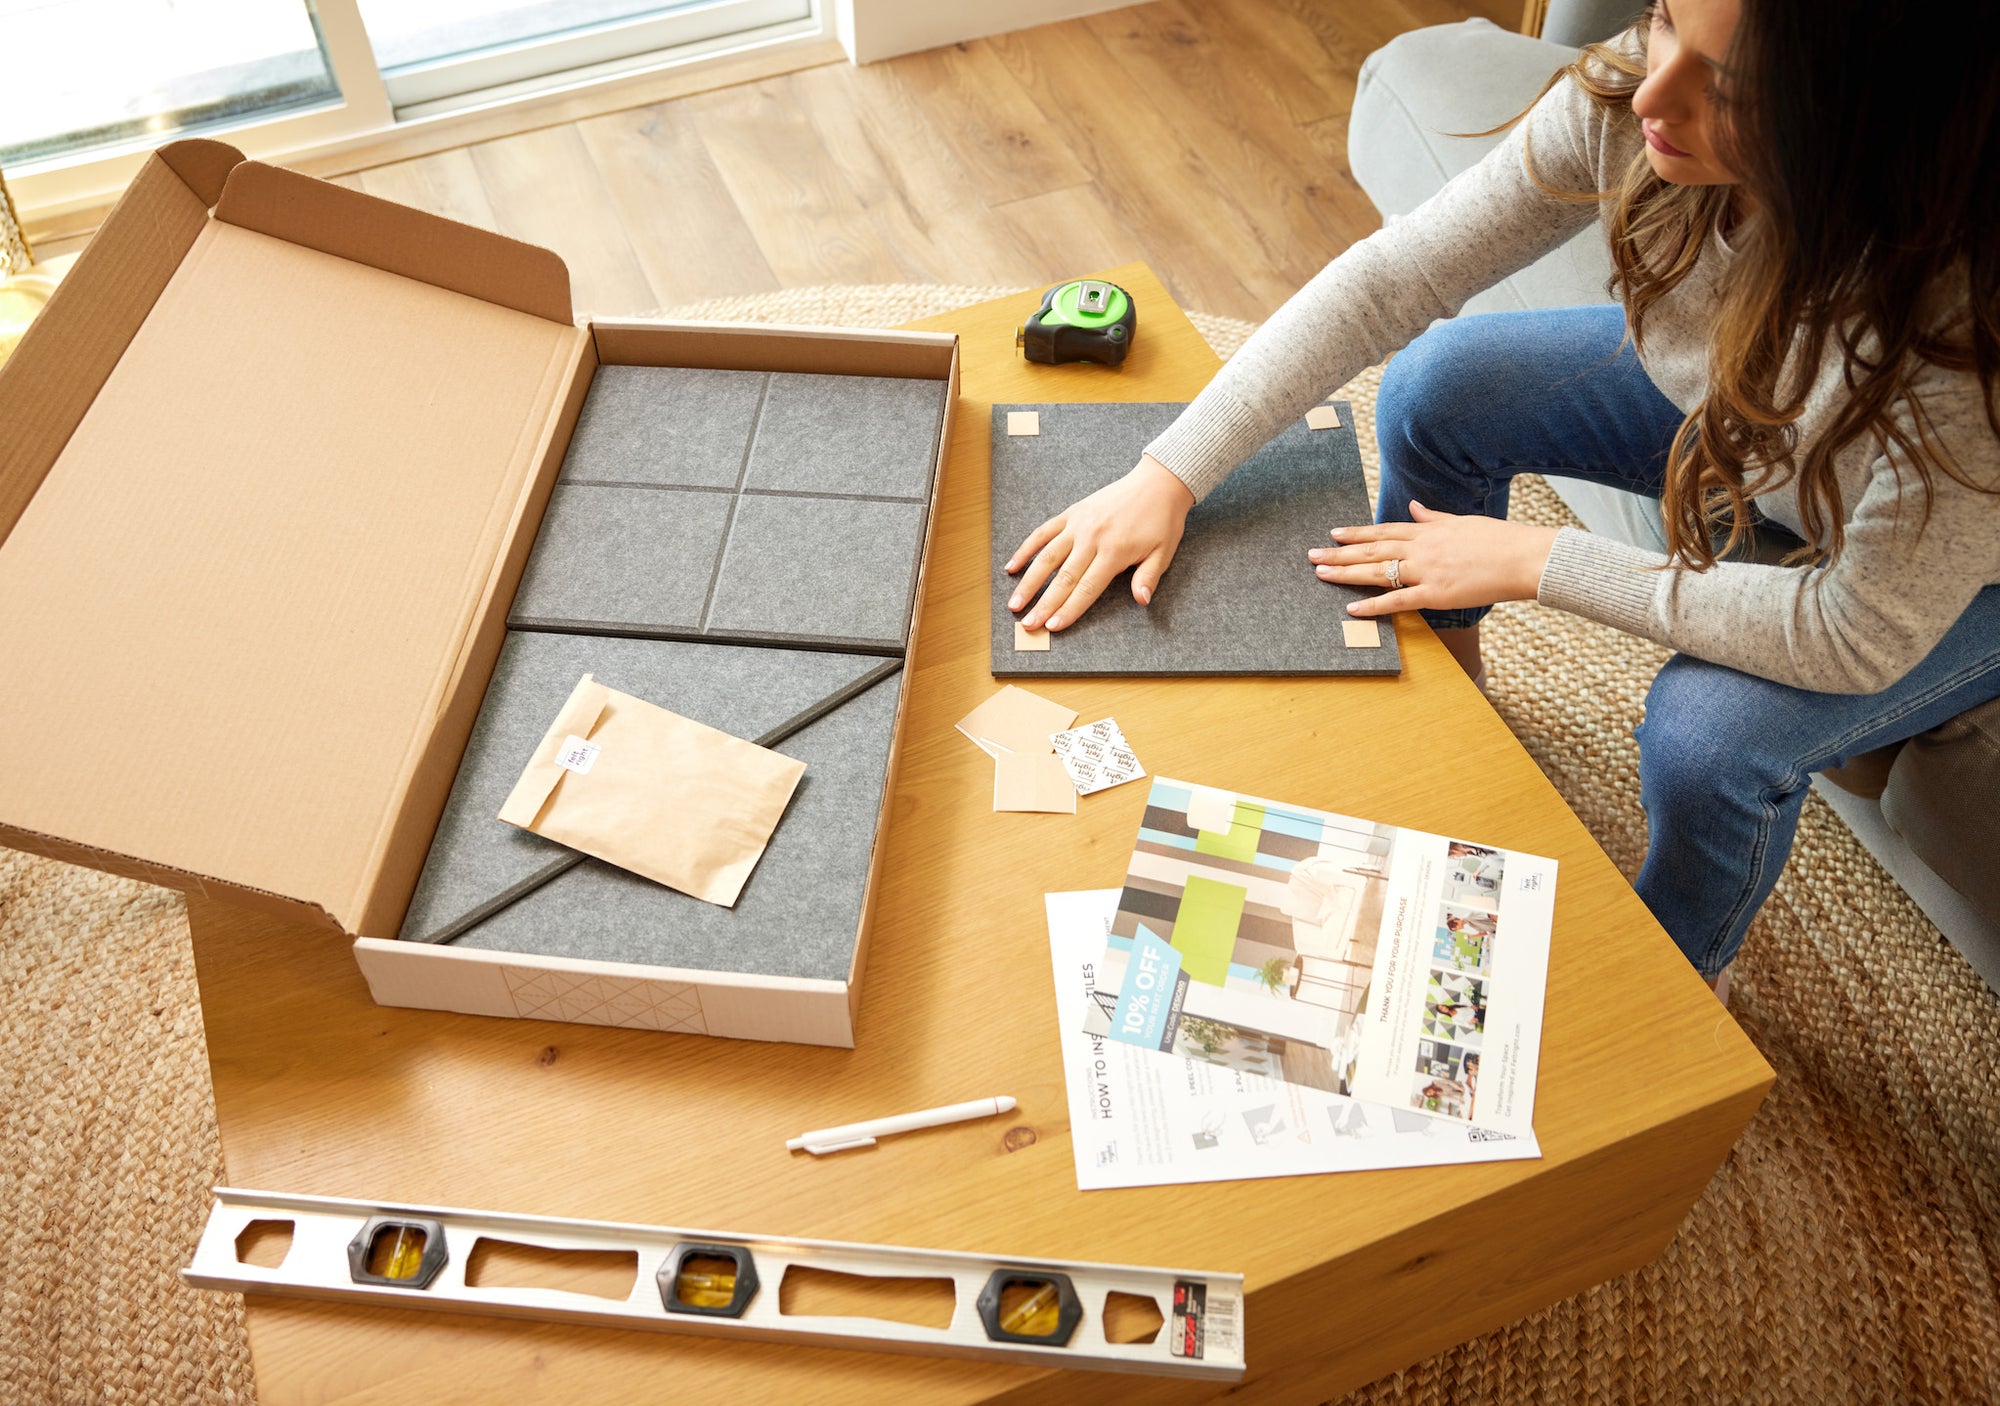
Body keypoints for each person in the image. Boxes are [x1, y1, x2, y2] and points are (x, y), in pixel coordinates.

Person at [1003, 0, 2000, 994]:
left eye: (1730, 89)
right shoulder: (1637, 97)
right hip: (1765, 429)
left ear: (1862, 126)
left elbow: (1855, 630)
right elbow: (1392, 277)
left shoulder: (1963, 336)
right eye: (1659, 18)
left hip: (1950, 575)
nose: (1652, 89)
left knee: (1706, 737)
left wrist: (1533, 560)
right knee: (1439, 386)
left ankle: (1676, 982)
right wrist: (1165, 471)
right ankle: (1459, 721)